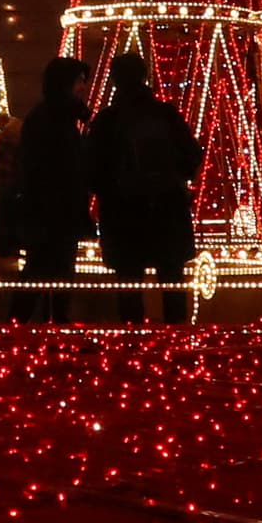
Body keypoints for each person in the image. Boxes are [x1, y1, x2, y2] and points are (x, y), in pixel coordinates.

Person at [87, 50, 199, 324]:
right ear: (145, 75)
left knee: (128, 283)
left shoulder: (106, 120)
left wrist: (109, 191)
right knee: (172, 280)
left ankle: (132, 344)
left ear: (115, 80)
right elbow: (192, 154)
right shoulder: (165, 114)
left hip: (123, 212)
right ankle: (177, 342)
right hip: (166, 209)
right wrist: (175, 180)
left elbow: (92, 167)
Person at [0, 57, 95, 323]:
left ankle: (28, 325)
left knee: (45, 271)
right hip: (53, 210)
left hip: (51, 210)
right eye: (79, 81)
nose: (83, 88)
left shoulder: (53, 116)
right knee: (47, 270)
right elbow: (57, 168)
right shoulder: (55, 119)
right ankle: (33, 326)